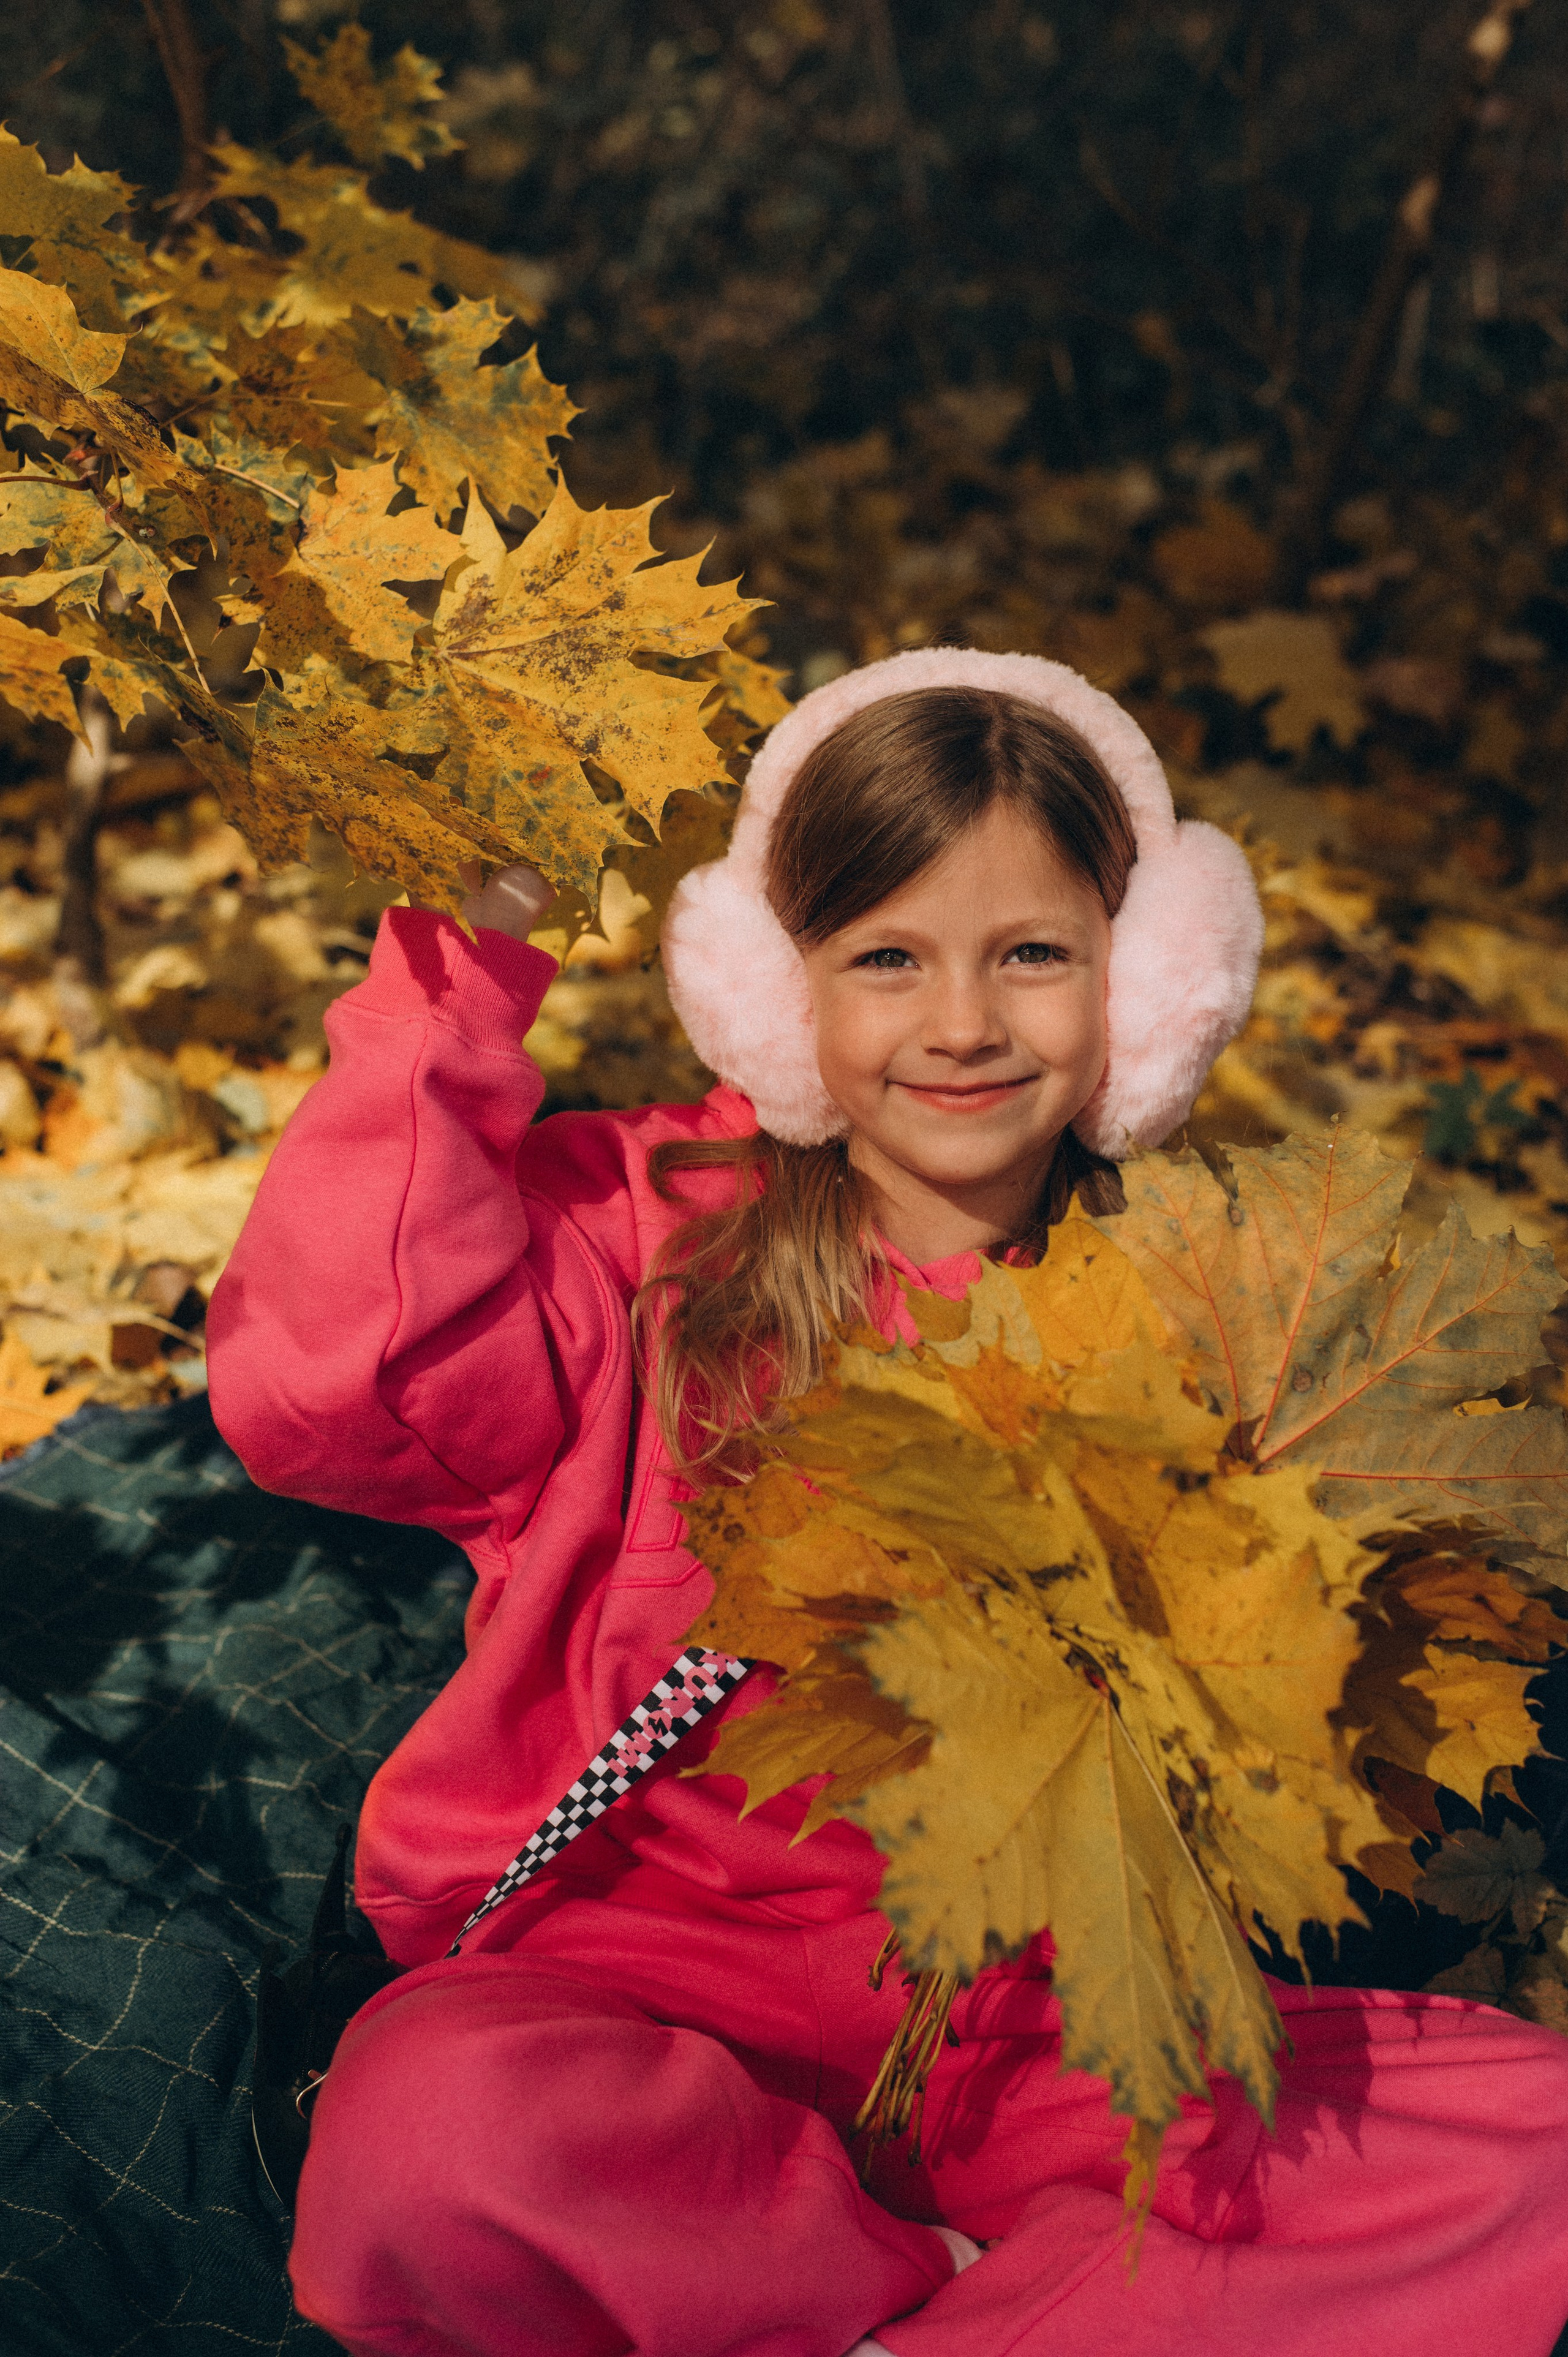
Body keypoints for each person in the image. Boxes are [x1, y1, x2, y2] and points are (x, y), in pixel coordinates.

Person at [208, 648, 1568, 2357]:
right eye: (886, 961)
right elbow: (331, 1380)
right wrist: (458, 974)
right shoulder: (649, 1231)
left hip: (1045, 2023)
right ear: (778, 994)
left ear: (1147, 988)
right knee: (430, 2142)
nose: (965, 1027)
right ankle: (905, 2289)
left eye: (1034, 956)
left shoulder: (1215, 1303)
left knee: (1533, 2153)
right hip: (643, 1994)